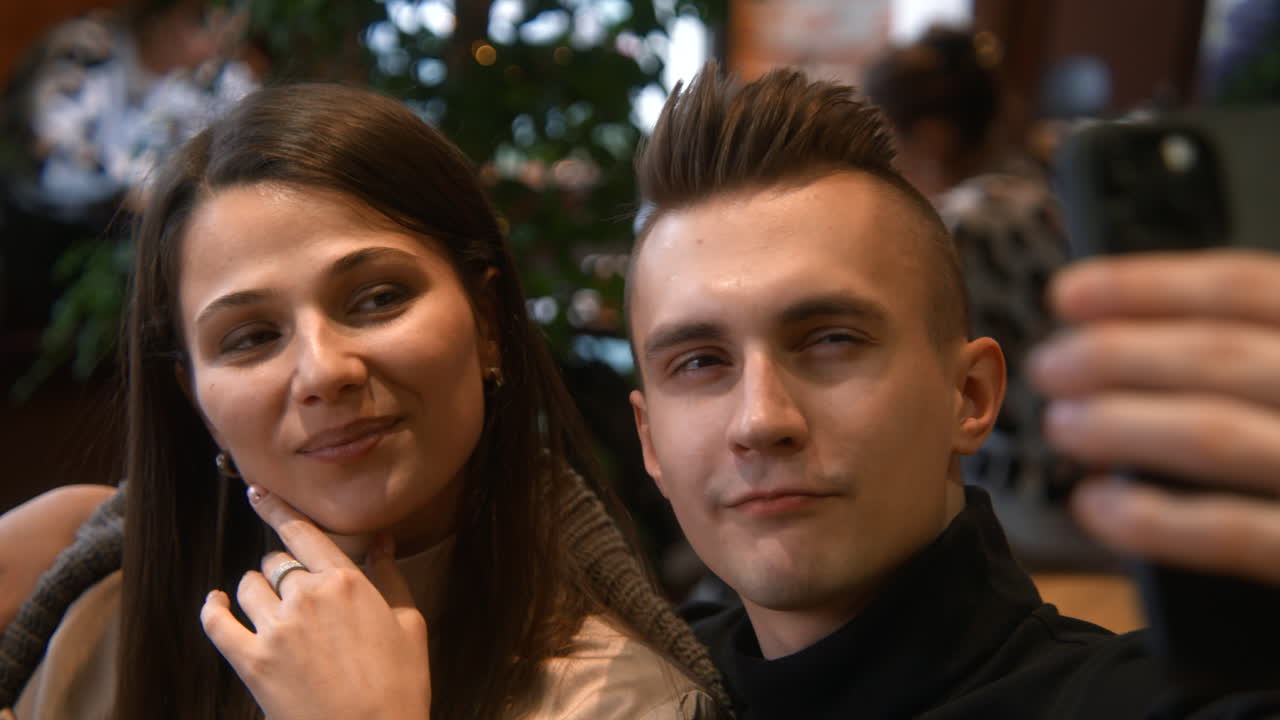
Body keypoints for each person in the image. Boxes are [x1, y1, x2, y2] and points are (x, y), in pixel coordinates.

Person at [0, 83, 725, 719]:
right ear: (193, 397)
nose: (324, 371)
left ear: (487, 323)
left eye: (377, 298)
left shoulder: (625, 700)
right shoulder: (101, 636)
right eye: (251, 337)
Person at [624, 62, 1280, 718]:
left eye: (831, 341)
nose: (761, 419)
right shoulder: (617, 692)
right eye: (700, 363)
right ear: (650, 441)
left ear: (969, 396)